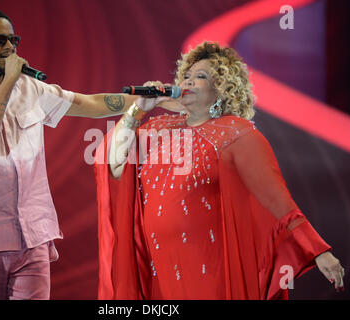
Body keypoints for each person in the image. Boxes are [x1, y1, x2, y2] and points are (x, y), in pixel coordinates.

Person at [94, 41, 345, 299]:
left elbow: (276, 200)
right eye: (186, 76)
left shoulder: (235, 133)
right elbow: (113, 165)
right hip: (158, 270)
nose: (188, 81)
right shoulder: (158, 128)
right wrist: (137, 110)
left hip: (210, 270)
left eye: (200, 77)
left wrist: (318, 251)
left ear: (223, 88)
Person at [0, 8, 143, 300]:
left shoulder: (29, 88)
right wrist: (8, 82)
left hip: (32, 239)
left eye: (14, 40)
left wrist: (145, 102)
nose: (10, 48)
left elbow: (88, 103)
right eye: (0, 40)